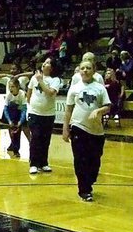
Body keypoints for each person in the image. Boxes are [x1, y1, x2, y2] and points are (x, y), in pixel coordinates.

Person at [62, 60, 111, 202]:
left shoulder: (100, 88)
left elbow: (108, 106)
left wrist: (98, 110)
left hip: (96, 131)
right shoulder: (74, 88)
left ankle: (89, 181)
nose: (85, 70)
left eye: (88, 68)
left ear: (94, 70)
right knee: (80, 159)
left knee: (94, 160)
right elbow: (69, 109)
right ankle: (84, 190)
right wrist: (65, 129)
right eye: (82, 68)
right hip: (78, 127)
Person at [26, 57, 62, 175]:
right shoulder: (34, 78)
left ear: (52, 68)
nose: (44, 64)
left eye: (47, 63)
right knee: (35, 137)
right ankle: (33, 164)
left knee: (45, 139)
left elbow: (50, 92)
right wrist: (29, 106)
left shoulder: (55, 80)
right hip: (34, 113)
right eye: (44, 62)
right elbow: (29, 92)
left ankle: (43, 163)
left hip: (48, 114)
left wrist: (40, 80)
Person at [1, 77, 30, 157]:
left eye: (13, 86)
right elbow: (6, 109)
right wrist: (9, 121)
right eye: (9, 87)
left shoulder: (22, 94)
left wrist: (21, 121)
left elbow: (24, 109)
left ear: (17, 87)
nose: (10, 88)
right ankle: (14, 147)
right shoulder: (9, 95)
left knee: (24, 128)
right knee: (12, 130)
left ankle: (31, 143)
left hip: (20, 112)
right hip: (11, 113)